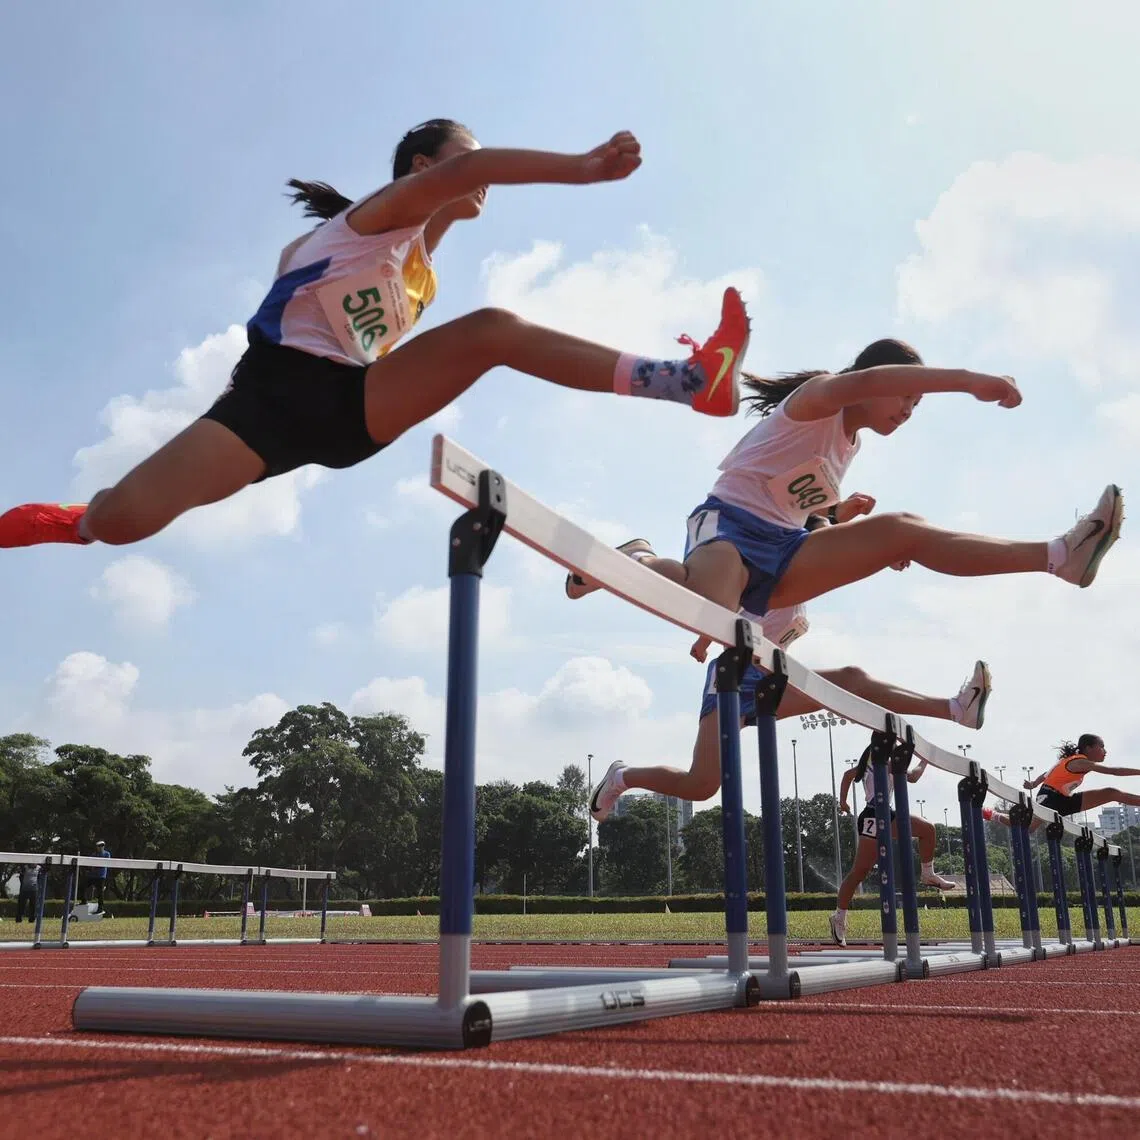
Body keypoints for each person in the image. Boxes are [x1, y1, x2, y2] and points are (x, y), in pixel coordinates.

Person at [0, 121, 750, 551]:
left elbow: (402, 294)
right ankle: (77, 516)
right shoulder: (378, 214)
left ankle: (690, 383)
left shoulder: (423, 271)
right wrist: (582, 169)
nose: (479, 177)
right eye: (461, 160)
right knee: (121, 522)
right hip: (267, 401)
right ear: (423, 170)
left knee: (492, 331)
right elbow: (481, 166)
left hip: (351, 407)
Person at [566, 338, 1123, 624]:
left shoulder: (849, 446)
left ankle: (1060, 556)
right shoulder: (820, 397)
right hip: (729, 529)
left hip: (784, 548)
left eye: (917, 403)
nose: (909, 409)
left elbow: (792, 503)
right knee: (709, 610)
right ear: (871, 383)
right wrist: (968, 380)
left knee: (903, 529)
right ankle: (636, 557)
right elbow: (874, 377)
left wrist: (845, 528)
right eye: (908, 396)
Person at [588, 499, 993, 820]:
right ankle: (622, 777)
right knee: (702, 785)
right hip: (733, 675)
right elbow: (810, 542)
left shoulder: (799, 568)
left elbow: (832, 550)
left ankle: (956, 709)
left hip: (766, 675)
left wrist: (866, 540)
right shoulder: (777, 555)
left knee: (850, 679)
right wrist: (842, 521)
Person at [829, 744, 954, 947]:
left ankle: (927, 873)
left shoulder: (879, 764)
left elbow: (847, 775)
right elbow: (912, 776)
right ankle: (839, 917)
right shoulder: (879, 761)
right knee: (859, 872)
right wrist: (925, 759)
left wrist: (843, 802)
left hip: (888, 813)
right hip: (872, 815)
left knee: (928, 829)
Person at [985, 735, 1140, 832]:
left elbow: (1046, 773)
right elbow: (1115, 771)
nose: (1105, 751)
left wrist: (1033, 783)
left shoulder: (1069, 761)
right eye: (1102, 746)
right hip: (1050, 798)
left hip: (1064, 799)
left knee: (1110, 793)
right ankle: (994, 815)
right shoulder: (1080, 762)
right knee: (1029, 827)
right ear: (1089, 748)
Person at [80, 840, 111, 912]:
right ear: (97, 847)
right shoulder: (93, 855)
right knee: (82, 886)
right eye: (99, 846)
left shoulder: (107, 854)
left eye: (102, 846)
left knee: (100, 893)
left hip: (101, 876)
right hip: (92, 876)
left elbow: (105, 864)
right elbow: (90, 864)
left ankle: (100, 908)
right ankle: (84, 901)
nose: (101, 847)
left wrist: (95, 866)